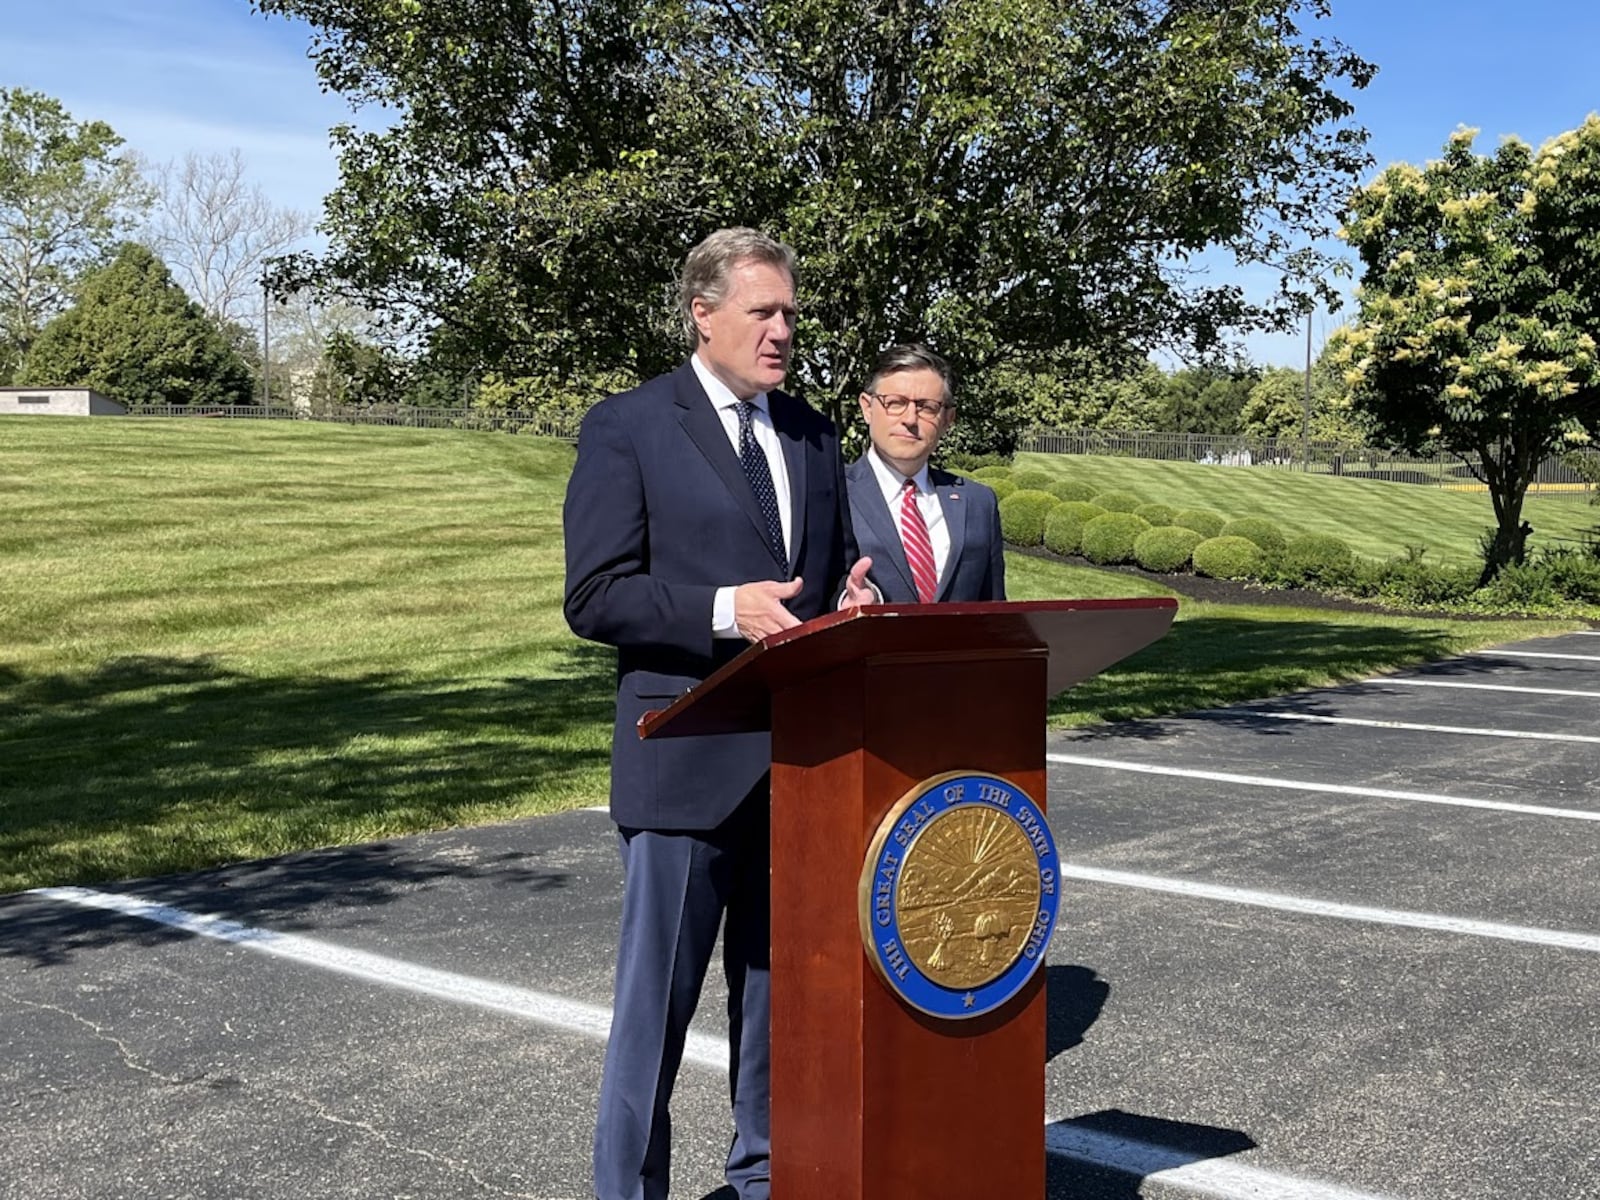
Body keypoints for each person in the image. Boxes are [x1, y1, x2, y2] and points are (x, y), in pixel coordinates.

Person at [563, 227, 875, 1200]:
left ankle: (762, 1182)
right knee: (652, 1013)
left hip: (799, 777)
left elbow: (811, 595)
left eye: (790, 313)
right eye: (763, 312)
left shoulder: (817, 437)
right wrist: (719, 611)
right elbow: (595, 595)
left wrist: (846, 611)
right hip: (683, 764)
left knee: (779, 1010)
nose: (783, 331)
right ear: (703, 313)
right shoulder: (629, 426)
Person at [845, 343, 1006, 603]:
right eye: (895, 403)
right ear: (867, 408)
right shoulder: (831, 493)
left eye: (926, 407)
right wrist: (846, 601)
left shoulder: (979, 503)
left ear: (948, 419)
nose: (910, 418)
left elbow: (994, 610)